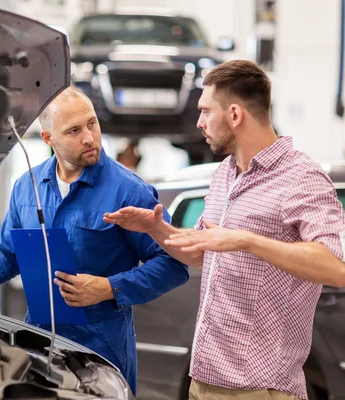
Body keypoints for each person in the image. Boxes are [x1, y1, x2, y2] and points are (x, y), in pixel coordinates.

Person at [104, 60, 345, 400]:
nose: (199, 122)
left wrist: (244, 240)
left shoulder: (301, 178)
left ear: (234, 115)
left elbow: (335, 267)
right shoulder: (224, 175)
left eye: (205, 111)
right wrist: (156, 229)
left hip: (260, 390)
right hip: (204, 383)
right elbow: (201, 253)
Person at [0, 85, 189, 395]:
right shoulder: (28, 186)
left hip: (102, 353)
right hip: (39, 345)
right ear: (49, 138)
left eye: (92, 123)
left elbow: (174, 264)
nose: (89, 137)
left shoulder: (128, 191)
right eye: (74, 130)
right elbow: (9, 254)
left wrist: (109, 288)